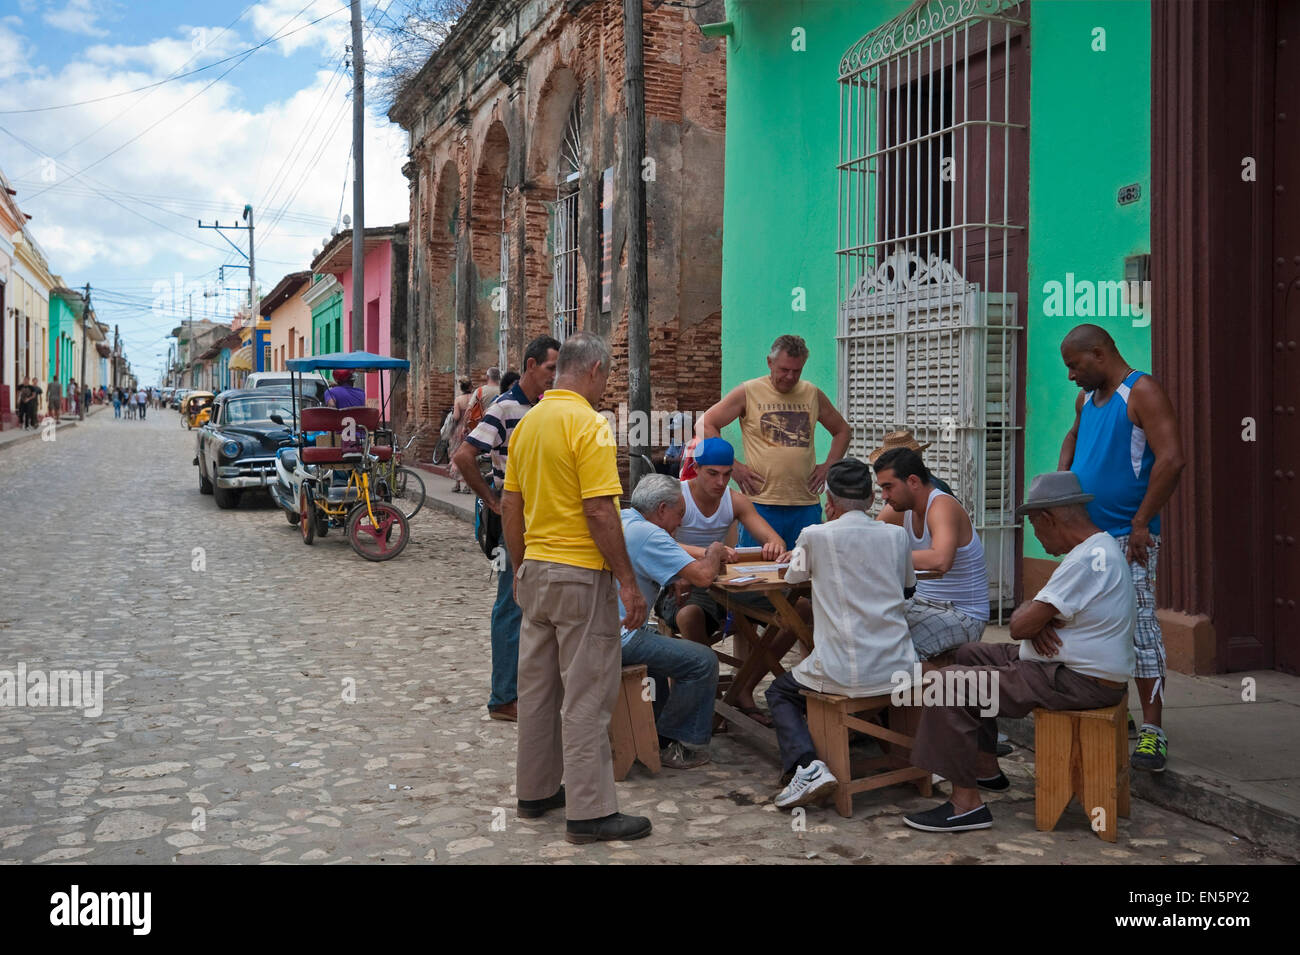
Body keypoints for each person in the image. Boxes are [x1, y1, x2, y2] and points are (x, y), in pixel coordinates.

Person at [904, 471, 1136, 832]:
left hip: (1074, 679)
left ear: (1049, 518)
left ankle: (965, 805)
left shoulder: (1088, 560)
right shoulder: (1095, 550)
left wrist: (1035, 621)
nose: (1036, 535)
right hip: (1061, 668)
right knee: (968, 653)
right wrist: (1037, 618)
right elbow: (1031, 615)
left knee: (946, 684)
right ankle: (986, 769)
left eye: (1034, 526)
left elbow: (1019, 626)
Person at [501, 331, 651, 844]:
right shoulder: (590, 425)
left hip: (538, 573)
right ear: (593, 371)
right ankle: (590, 813)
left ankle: (536, 791)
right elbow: (599, 509)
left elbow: (511, 506)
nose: (605, 388)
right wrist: (629, 584)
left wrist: (521, 566)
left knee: (539, 691)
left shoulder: (528, 424)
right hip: (582, 575)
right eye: (606, 377)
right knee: (588, 694)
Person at [1058, 323, 1185, 772]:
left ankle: (1153, 732)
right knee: (1091, 626)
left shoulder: (1142, 390)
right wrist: (1061, 487)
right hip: (1087, 536)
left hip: (1129, 538)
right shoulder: (1086, 401)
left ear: (1098, 354)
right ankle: (1117, 711)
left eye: (1075, 366)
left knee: (1141, 631)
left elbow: (1171, 458)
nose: (1071, 376)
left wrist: (1139, 523)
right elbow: (1073, 436)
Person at [767, 458, 918, 809]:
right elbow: (908, 588)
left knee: (779, 692)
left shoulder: (815, 535)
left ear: (829, 502)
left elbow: (792, 577)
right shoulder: (897, 535)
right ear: (871, 500)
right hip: (901, 667)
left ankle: (808, 766)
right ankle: (909, 759)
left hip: (846, 671)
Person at [453, 335, 561, 722]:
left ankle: (531, 688)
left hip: (542, 517)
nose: (556, 375)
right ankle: (503, 697)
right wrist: (489, 498)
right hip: (514, 519)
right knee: (510, 604)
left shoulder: (546, 406)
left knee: (534, 602)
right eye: (551, 368)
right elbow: (464, 455)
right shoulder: (505, 407)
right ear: (531, 366)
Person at [658, 436, 791, 724]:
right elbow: (657, 541)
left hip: (724, 585)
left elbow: (774, 539)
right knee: (690, 615)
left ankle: (743, 687)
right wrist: (706, 554)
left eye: (727, 474)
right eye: (713, 474)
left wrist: (773, 547)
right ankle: (703, 692)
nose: (720, 482)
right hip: (683, 583)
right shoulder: (676, 497)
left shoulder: (735, 501)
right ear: (696, 469)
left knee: (800, 610)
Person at [695, 334, 851, 550]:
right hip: (760, 504)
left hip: (805, 503)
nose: (790, 377)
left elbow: (842, 430)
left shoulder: (811, 393)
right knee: (757, 573)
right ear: (770, 362)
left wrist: (829, 466)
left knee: (806, 574)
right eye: (784, 370)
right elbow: (704, 424)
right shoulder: (749, 391)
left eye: (797, 371)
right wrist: (734, 467)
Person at [618, 474, 725, 768]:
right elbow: (704, 577)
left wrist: (673, 579)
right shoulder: (651, 534)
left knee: (662, 655)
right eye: (679, 515)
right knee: (703, 660)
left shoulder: (625, 519)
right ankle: (673, 744)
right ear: (662, 509)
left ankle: (656, 734)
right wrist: (715, 551)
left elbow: (648, 564)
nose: (679, 523)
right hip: (621, 637)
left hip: (603, 631)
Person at [874, 445, 990, 660]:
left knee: (895, 655)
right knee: (862, 634)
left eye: (888, 487)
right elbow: (866, 541)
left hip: (962, 614)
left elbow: (940, 560)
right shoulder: (899, 509)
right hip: (918, 604)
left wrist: (884, 556)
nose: (884, 496)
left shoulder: (942, 506)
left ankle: (949, 687)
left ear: (913, 481)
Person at [447, 378, 475, 493]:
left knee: (456, 455)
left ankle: (457, 483)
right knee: (469, 456)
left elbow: (456, 417)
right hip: (472, 429)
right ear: (470, 386)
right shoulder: (474, 398)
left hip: (459, 430)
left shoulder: (458, 400)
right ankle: (468, 485)